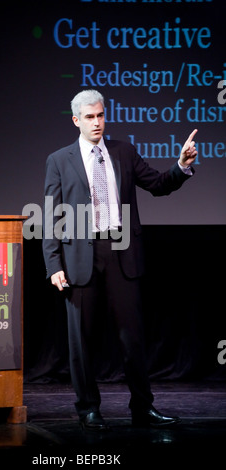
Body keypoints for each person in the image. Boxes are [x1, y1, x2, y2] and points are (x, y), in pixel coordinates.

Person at [42, 89, 198, 431]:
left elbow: (157, 184)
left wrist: (181, 166)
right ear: (76, 121)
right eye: (89, 117)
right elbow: (51, 216)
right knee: (80, 342)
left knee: (133, 339)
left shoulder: (123, 151)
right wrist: (53, 264)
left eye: (100, 116)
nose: (97, 123)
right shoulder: (59, 160)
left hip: (122, 253)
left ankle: (143, 407)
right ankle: (88, 409)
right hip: (80, 257)